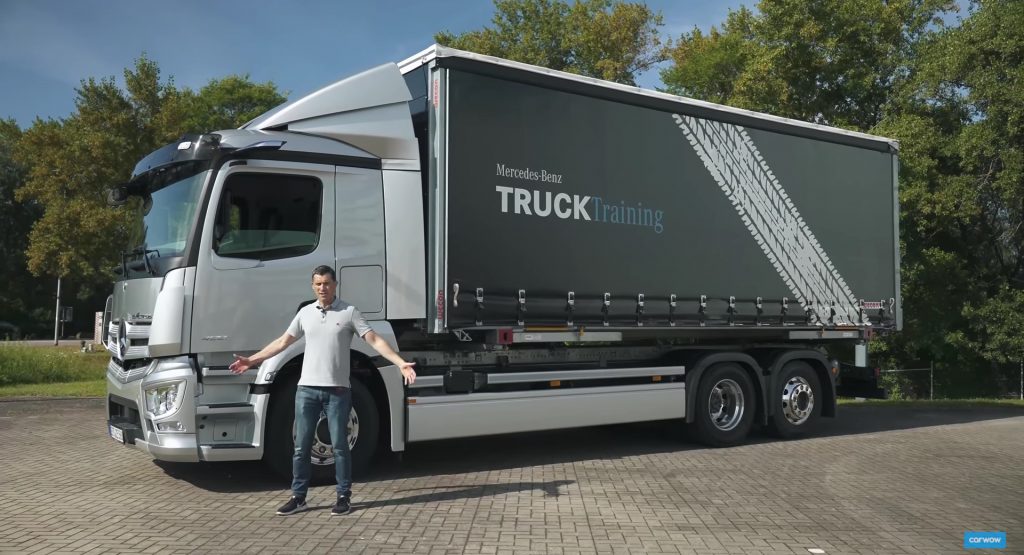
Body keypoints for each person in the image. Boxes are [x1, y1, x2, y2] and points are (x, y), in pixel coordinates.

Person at [229, 265, 416, 516]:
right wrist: (252, 360)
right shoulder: (305, 313)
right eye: (318, 284)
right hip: (306, 390)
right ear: (312, 286)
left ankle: (343, 497)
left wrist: (400, 363)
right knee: (301, 447)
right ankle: (298, 497)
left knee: (340, 446)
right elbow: (283, 342)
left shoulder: (349, 312)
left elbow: (374, 339)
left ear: (335, 285)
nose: (322, 288)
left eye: (327, 283)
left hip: (337, 391)